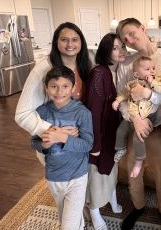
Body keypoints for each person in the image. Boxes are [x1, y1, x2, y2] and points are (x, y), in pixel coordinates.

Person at [116, 18, 161, 230]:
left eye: (132, 33)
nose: (130, 40)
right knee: (134, 176)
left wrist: (149, 94)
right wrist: (135, 119)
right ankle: (138, 207)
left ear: (143, 29)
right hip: (136, 130)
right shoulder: (127, 65)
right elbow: (123, 98)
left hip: (159, 130)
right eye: (125, 39)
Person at [15, 22, 92, 164]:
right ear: (56, 42)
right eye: (64, 39)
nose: (70, 44)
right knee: (59, 184)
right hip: (56, 150)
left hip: (79, 146)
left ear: (82, 42)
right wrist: (55, 132)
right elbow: (22, 114)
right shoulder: (42, 70)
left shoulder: (86, 65)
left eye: (75, 39)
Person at [31, 66, 93, 230]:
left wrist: (63, 137)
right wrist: (46, 143)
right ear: (46, 88)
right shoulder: (41, 112)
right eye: (54, 86)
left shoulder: (82, 113)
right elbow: (34, 142)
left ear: (73, 88)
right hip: (53, 176)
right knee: (64, 215)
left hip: (77, 176)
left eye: (65, 86)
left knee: (68, 226)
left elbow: (87, 144)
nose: (59, 91)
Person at [85, 33, 126, 230]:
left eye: (122, 47)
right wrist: (95, 144)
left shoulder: (113, 71)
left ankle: (111, 197)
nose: (121, 51)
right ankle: (94, 211)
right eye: (115, 48)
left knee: (111, 169)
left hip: (111, 131)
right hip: (99, 134)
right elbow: (93, 112)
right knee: (96, 175)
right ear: (105, 51)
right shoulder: (99, 74)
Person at [113, 56, 161, 178]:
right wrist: (117, 101)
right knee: (120, 130)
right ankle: (120, 148)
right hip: (132, 114)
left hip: (147, 115)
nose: (152, 71)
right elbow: (124, 94)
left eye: (153, 68)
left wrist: (151, 82)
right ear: (137, 74)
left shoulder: (157, 80)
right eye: (148, 69)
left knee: (138, 137)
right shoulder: (132, 83)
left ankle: (139, 161)